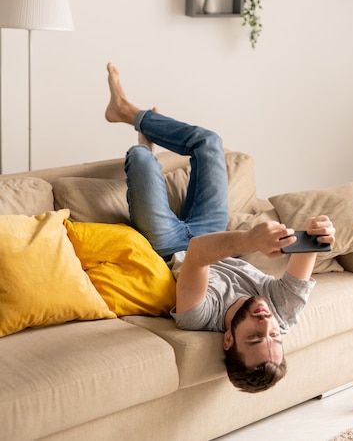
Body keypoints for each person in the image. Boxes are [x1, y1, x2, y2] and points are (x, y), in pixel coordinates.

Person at [105, 63, 336, 393]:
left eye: (254, 336)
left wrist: (251, 238)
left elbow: (198, 255)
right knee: (210, 142)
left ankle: (145, 142)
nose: (266, 323)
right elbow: (309, 247)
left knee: (141, 161)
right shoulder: (282, 313)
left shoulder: (199, 317)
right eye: (273, 336)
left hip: (168, 245)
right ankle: (128, 112)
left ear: (228, 340)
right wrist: (320, 233)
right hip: (211, 228)